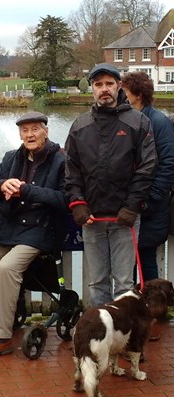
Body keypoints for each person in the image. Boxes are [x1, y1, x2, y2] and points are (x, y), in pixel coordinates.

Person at [0, 111, 68, 360]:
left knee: (7, 267)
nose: (30, 135)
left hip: (40, 229)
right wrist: (2, 186)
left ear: (46, 131)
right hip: (8, 228)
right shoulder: (11, 158)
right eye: (25, 130)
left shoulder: (62, 160)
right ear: (20, 134)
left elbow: (65, 199)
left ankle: (1, 338)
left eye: (35, 129)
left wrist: (28, 190)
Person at [64, 63, 157, 307]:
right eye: (98, 85)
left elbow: (147, 168)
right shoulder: (79, 126)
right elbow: (71, 169)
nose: (104, 89)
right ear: (92, 89)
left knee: (125, 282)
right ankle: (100, 333)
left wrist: (132, 206)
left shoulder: (138, 122)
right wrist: (78, 204)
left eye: (109, 84)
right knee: (97, 282)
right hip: (92, 218)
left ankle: (122, 334)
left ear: (119, 86)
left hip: (125, 218)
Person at [121, 71, 174, 283]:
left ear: (138, 94)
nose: (121, 94)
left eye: (125, 90)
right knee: (128, 261)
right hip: (132, 201)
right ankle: (137, 307)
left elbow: (169, 163)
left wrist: (150, 198)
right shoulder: (126, 119)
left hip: (151, 205)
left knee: (146, 258)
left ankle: (156, 309)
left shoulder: (159, 122)